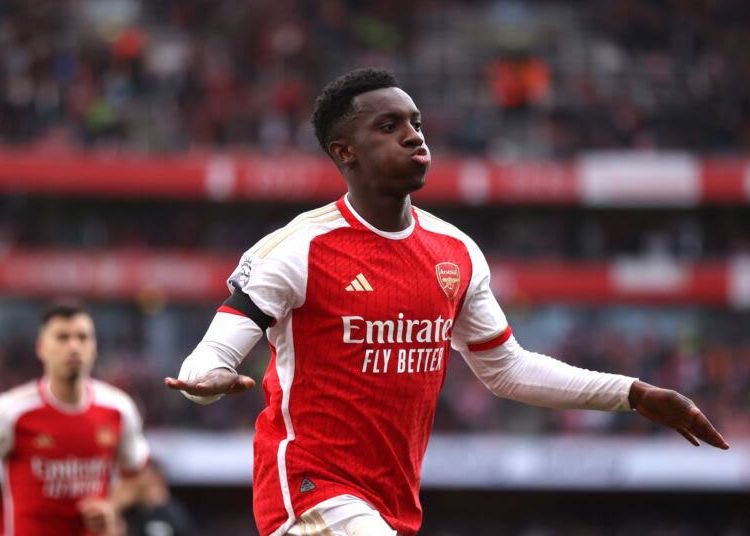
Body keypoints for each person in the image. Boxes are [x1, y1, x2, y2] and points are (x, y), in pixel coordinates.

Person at [164, 68, 729, 536]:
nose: (414, 135)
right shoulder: (295, 250)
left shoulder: (455, 251)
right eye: (390, 127)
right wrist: (208, 380)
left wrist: (633, 393)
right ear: (345, 152)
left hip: (394, 501)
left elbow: (506, 369)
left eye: (415, 122)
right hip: (311, 489)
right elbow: (208, 356)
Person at [0, 299, 151, 536]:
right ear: (41, 348)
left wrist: (112, 507)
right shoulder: (8, 412)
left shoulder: (119, 409)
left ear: (94, 348)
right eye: (62, 337)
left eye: (82, 337)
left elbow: (137, 476)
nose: (74, 346)